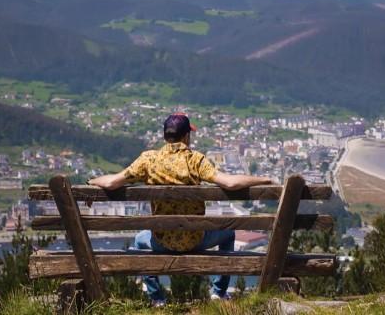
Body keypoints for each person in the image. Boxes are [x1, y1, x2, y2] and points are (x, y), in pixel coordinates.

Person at [88, 112, 272, 306]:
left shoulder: (148, 160)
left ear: (165, 136)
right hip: (195, 240)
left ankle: (157, 298)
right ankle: (218, 292)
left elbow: (111, 182)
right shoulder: (196, 160)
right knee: (229, 234)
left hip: (161, 242)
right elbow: (231, 183)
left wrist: (90, 181)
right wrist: (264, 180)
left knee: (139, 240)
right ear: (186, 136)